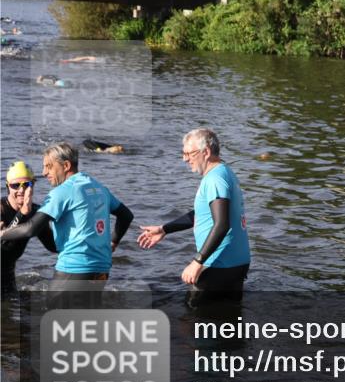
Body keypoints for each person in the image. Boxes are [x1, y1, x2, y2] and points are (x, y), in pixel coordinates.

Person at [0, 143, 133, 294]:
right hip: (102, 268)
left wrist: (4, 231)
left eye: (49, 166)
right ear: (7, 186)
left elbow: (33, 230)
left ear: (66, 165)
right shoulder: (98, 187)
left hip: (74, 268)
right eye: (15, 185)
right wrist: (112, 242)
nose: (44, 173)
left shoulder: (60, 193)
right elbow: (126, 215)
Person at [137, 128, 251, 306]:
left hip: (219, 263)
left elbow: (221, 224)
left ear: (205, 152)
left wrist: (197, 262)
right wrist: (164, 229)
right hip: (237, 262)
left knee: (192, 320)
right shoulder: (225, 173)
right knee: (228, 322)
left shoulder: (214, 180)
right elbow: (201, 214)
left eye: (189, 154)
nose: (185, 159)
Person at [0, 161, 56, 295]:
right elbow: (3, 248)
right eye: (15, 185)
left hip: (8, 276)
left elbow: (53, 246)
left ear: (33, 184)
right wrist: (23, 213)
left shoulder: (37, 212)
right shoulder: (1, 209)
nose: (21, 190)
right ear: (8, 187)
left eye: (26, 184)